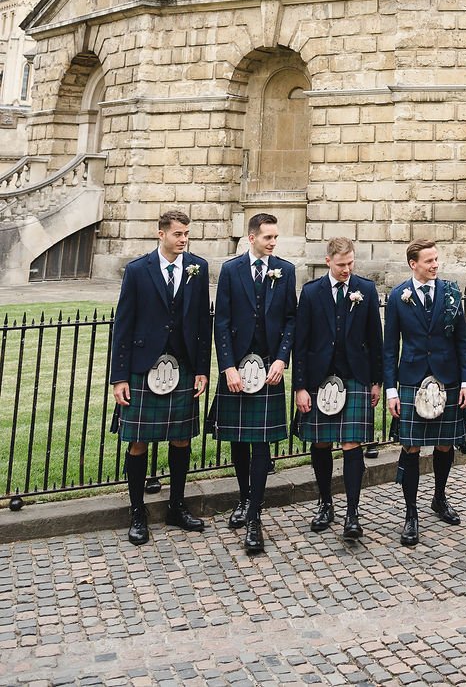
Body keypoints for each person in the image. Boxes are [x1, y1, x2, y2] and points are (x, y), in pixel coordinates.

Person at [109, 208, 212, 546]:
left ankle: (176, 506)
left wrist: (201, 369)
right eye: (178, 234)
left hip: (181, 366)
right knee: (138, 441)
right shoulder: (139, 271)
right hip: (144, 367)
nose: (183, 239)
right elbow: (123, 325)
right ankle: (137, 512)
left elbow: (202, 324)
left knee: (181, 438)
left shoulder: (198, 268)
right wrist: (119, 377)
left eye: (186, 234)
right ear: (161, 234)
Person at [207, 211, 298, 556]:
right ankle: (244, 498)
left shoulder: (285, 270)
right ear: (251, 238)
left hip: (269, 367)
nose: (273, 243)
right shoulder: (231, 270)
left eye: (275, 238)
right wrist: (228, 367)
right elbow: (223, 322)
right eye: (267, 237)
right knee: (240, 440)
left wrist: (281, 359)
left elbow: (291, 320)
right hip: (238, 370)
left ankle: (255, 515)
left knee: (261, 443)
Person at [383, 238, 466, 546]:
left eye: (437, 259)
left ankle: (439, 497)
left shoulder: (451, 293)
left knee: (445, 444)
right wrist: (391, 391)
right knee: (410, 447)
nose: (436, 265)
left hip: (447, 377)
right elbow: (388, 348)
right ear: (414, 264)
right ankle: (411, 514)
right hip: (411, 378)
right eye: (429, 261)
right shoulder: (398, 297)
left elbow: (462, 340)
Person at [293, 236, 383, 540]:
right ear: (328, 261)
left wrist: (376, 381)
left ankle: (353, 512)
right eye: (341, 264)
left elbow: (375, 339)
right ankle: (325, 503)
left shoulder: (366, 290)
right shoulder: (310, 293)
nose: (347, 269)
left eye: (351, 263)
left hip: (355, 377)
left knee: (351, 444)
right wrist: (300, 387)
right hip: (320, 378)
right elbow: (300, 345)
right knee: (320, 443)